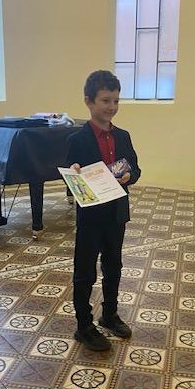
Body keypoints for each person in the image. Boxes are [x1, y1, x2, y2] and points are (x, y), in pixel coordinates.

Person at [67, 70, 141, 351]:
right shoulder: (77, 139)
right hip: (91, 216)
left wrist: (130, 176)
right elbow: (71, 173)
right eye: (105, 100)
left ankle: (109, 314)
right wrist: (74, 172)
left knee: (114, 266)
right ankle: (84, 325)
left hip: (116, 213)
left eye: (116, 101)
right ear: (89, 101)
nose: (111, 107)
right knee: (85, 271)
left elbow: (135, 168)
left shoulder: (123, 136)